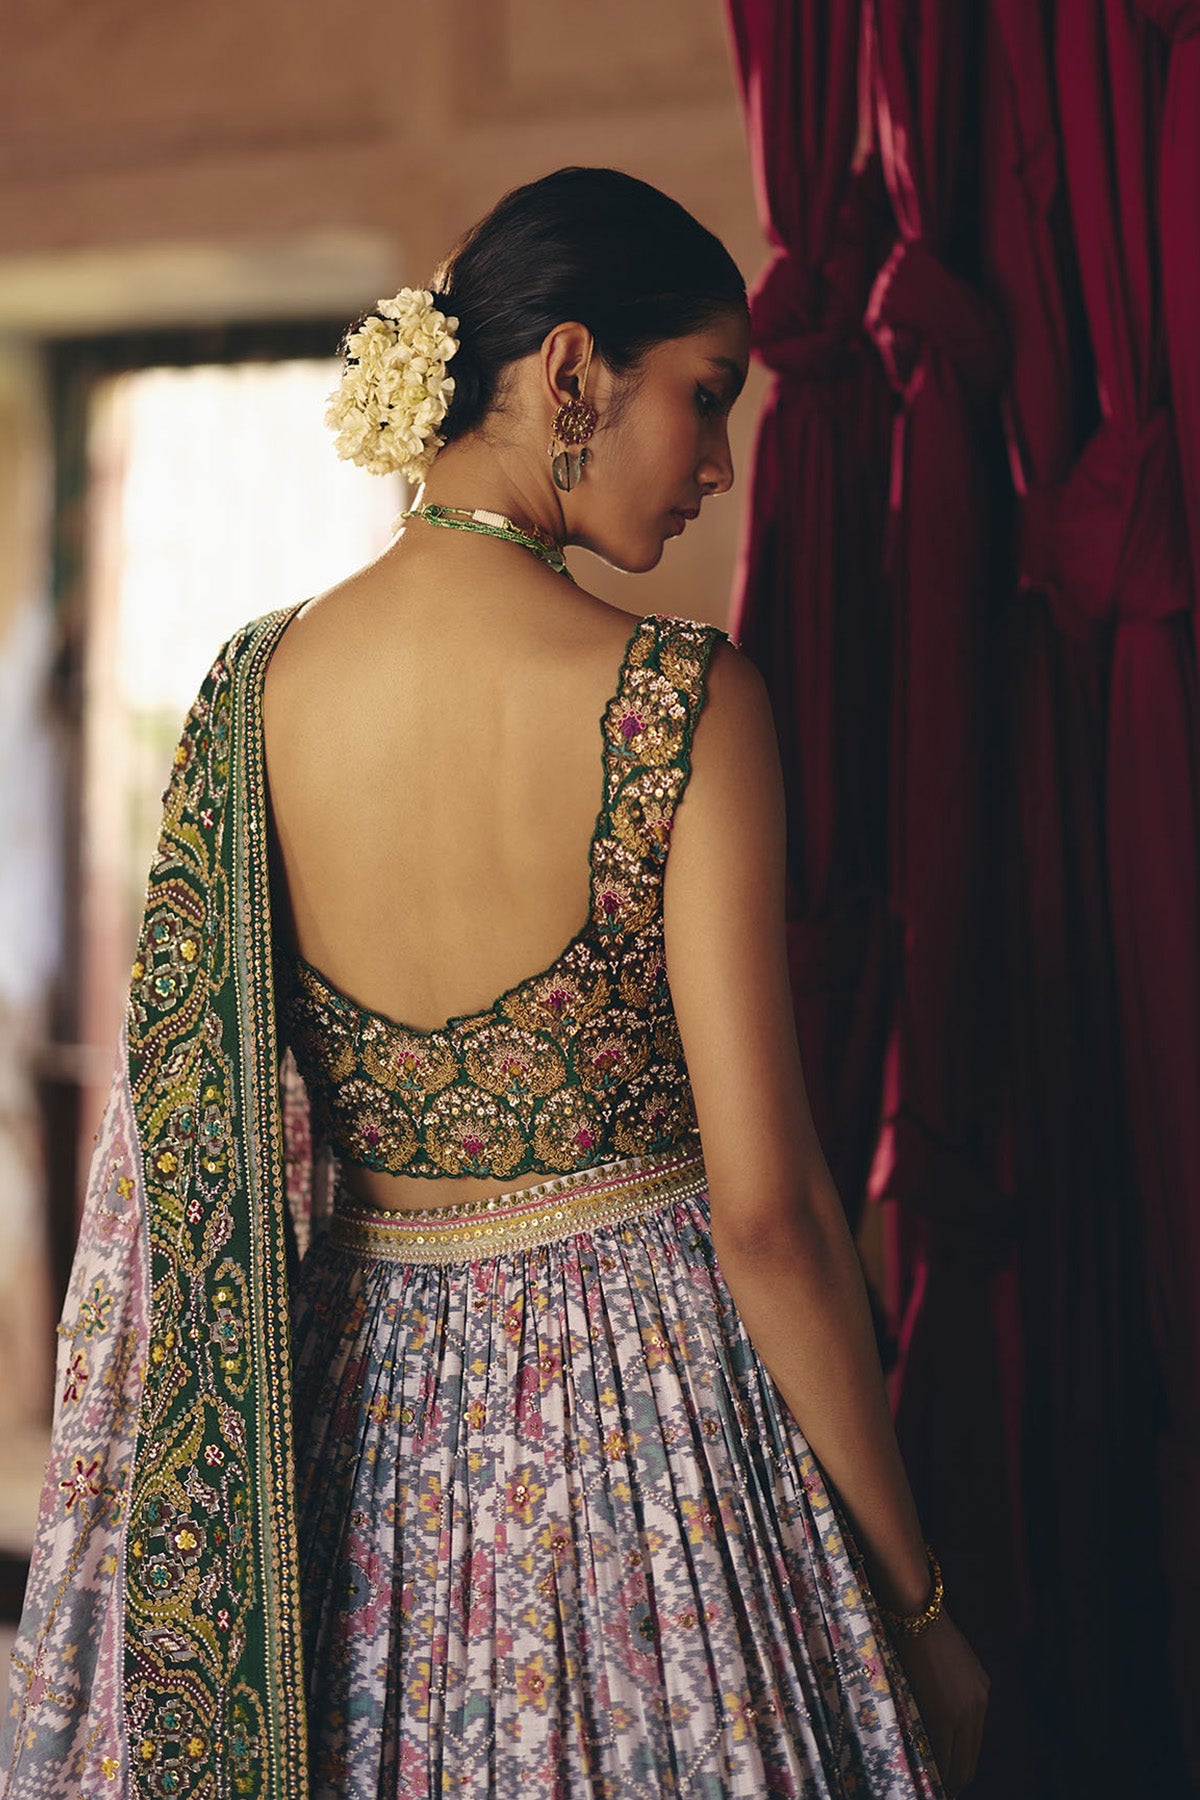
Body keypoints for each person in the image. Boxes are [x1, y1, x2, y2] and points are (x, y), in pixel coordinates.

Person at [1, 168, 987, 1800]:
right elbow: (768, 1218)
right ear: (573, 372)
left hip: (354, 1452)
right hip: (653, 1453)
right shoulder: (679, 701)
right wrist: (918, 1599)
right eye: (708, 395)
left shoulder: (253, 695)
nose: (722, 464)